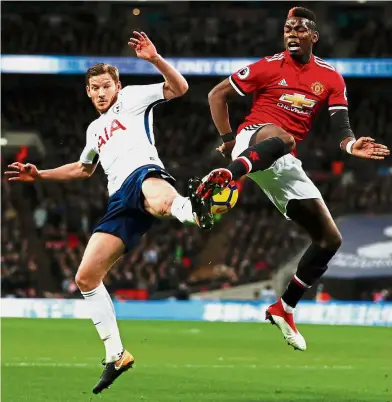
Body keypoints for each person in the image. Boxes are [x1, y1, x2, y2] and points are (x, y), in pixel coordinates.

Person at [5, 31, 213, 394]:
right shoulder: (93, 130)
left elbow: (179, 88)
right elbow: (84, 169)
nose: (101, 93)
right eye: (94, 88)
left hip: (143, 173)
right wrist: (40, 174)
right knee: (85, 277)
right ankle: (116, 354)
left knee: (159, 197)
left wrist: (155, 59)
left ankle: (192, 208)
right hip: (118, 199)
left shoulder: (133, 98)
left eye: (106, 86)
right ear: (88, 92)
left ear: (118, 85)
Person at [189, 7, 390, 351]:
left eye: (299, 29)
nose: (292, 33)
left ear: (314, 36)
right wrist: (226, 140)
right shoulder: (267, 66)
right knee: (283, 138)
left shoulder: (330, 77)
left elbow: (341, 128)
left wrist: (353, 144)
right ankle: (227, 176)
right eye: (287, 28)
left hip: (282, 160)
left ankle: (284, 307)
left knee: (329, 239)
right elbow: (216, 95)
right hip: (254, 138)